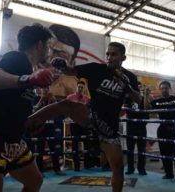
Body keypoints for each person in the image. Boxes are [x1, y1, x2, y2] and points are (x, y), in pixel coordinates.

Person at [0, 24, 89, 192]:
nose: (49, 52)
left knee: (35, 181)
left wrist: (34, 119)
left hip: (14, 140)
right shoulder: (17, 58)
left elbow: (15, 103)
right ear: (39, 45)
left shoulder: (29, 68)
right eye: (48, 47)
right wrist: (27, 79)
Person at [26, 42, 141, 192]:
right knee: (67, 104)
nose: (109, 57)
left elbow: (139, 99)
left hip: (109, 127)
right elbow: (72, 71)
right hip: (91, 116)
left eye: (114, 54)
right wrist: (63, 65)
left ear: (123, 57)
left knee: (118, 169)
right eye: (107, 54)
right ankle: (28, 121)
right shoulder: (96, 69)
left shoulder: (130, 77)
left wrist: (128, 88)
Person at [150, 81, 175, 181]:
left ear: (169, 88)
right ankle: (168, 173)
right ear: (160, 90)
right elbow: (146, 107)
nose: (164, 90)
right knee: (165, 154)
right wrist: (146, 93)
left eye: (166, 88)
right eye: (162, 88)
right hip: (163, 129)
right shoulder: (157, 101)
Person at [66, 80, 94, 171]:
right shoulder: (70, 97)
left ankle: (88, 165)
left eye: (82, 87)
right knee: (75, 145)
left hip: (84, 124)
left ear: (84, 88)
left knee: (87, 144)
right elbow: (66, 109)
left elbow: (90, 111)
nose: (81, 88)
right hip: (74, 124)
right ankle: (77, 167)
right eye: (79, 87)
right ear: (76, 87)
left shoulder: (87, 99)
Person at [48, 24, 81, 97]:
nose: (50, 56)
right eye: (47, 49)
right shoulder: (28, 71)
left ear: (72, 63)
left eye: (60, 55)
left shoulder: (72, 88)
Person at [125, 81, 148, 175]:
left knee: (141, 150)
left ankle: (141, 168)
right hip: (131, 127)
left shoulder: (144, 99)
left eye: (139, 88)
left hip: (141, 127)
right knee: (130, 149)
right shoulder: (128, 99)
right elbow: (125, 111)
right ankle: (130, 168)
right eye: (137, 88)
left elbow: (147, 111)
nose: (138, 89)